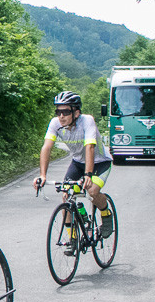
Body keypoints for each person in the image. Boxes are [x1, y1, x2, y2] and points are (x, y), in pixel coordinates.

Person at [32, 91, 114, 247]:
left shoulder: (87, 121)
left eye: (66, 112)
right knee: (66, 195)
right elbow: (46, 148)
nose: (61, 116)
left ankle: (105, 213)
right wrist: (42, 175)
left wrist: (88, 175)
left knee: (92, 191)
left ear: (76, 112)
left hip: (99, 162)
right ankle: (73, 238)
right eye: (58, 112)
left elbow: (89, 147)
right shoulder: (55, 123)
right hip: (78, 163)